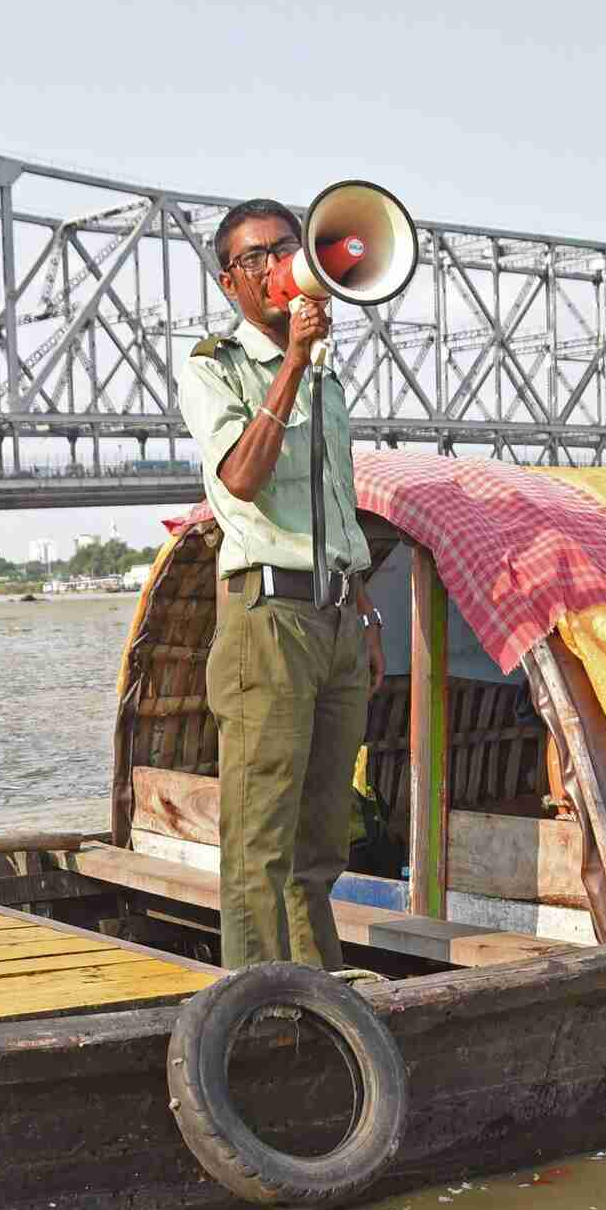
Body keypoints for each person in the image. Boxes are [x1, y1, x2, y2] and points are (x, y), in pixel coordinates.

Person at [178, 197, 385, 972]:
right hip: (268, 622)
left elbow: (338, 504)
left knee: (321, 838)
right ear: (231, 283)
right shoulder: (214, 365)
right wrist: (293, 362)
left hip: (332, 620)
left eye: (287, 249)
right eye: (256, 258)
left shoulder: (327, 380)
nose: (276, 267)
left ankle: (317, 989)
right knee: (259, 836)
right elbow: (241, 476)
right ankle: (253, 1007)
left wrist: (365, 613)